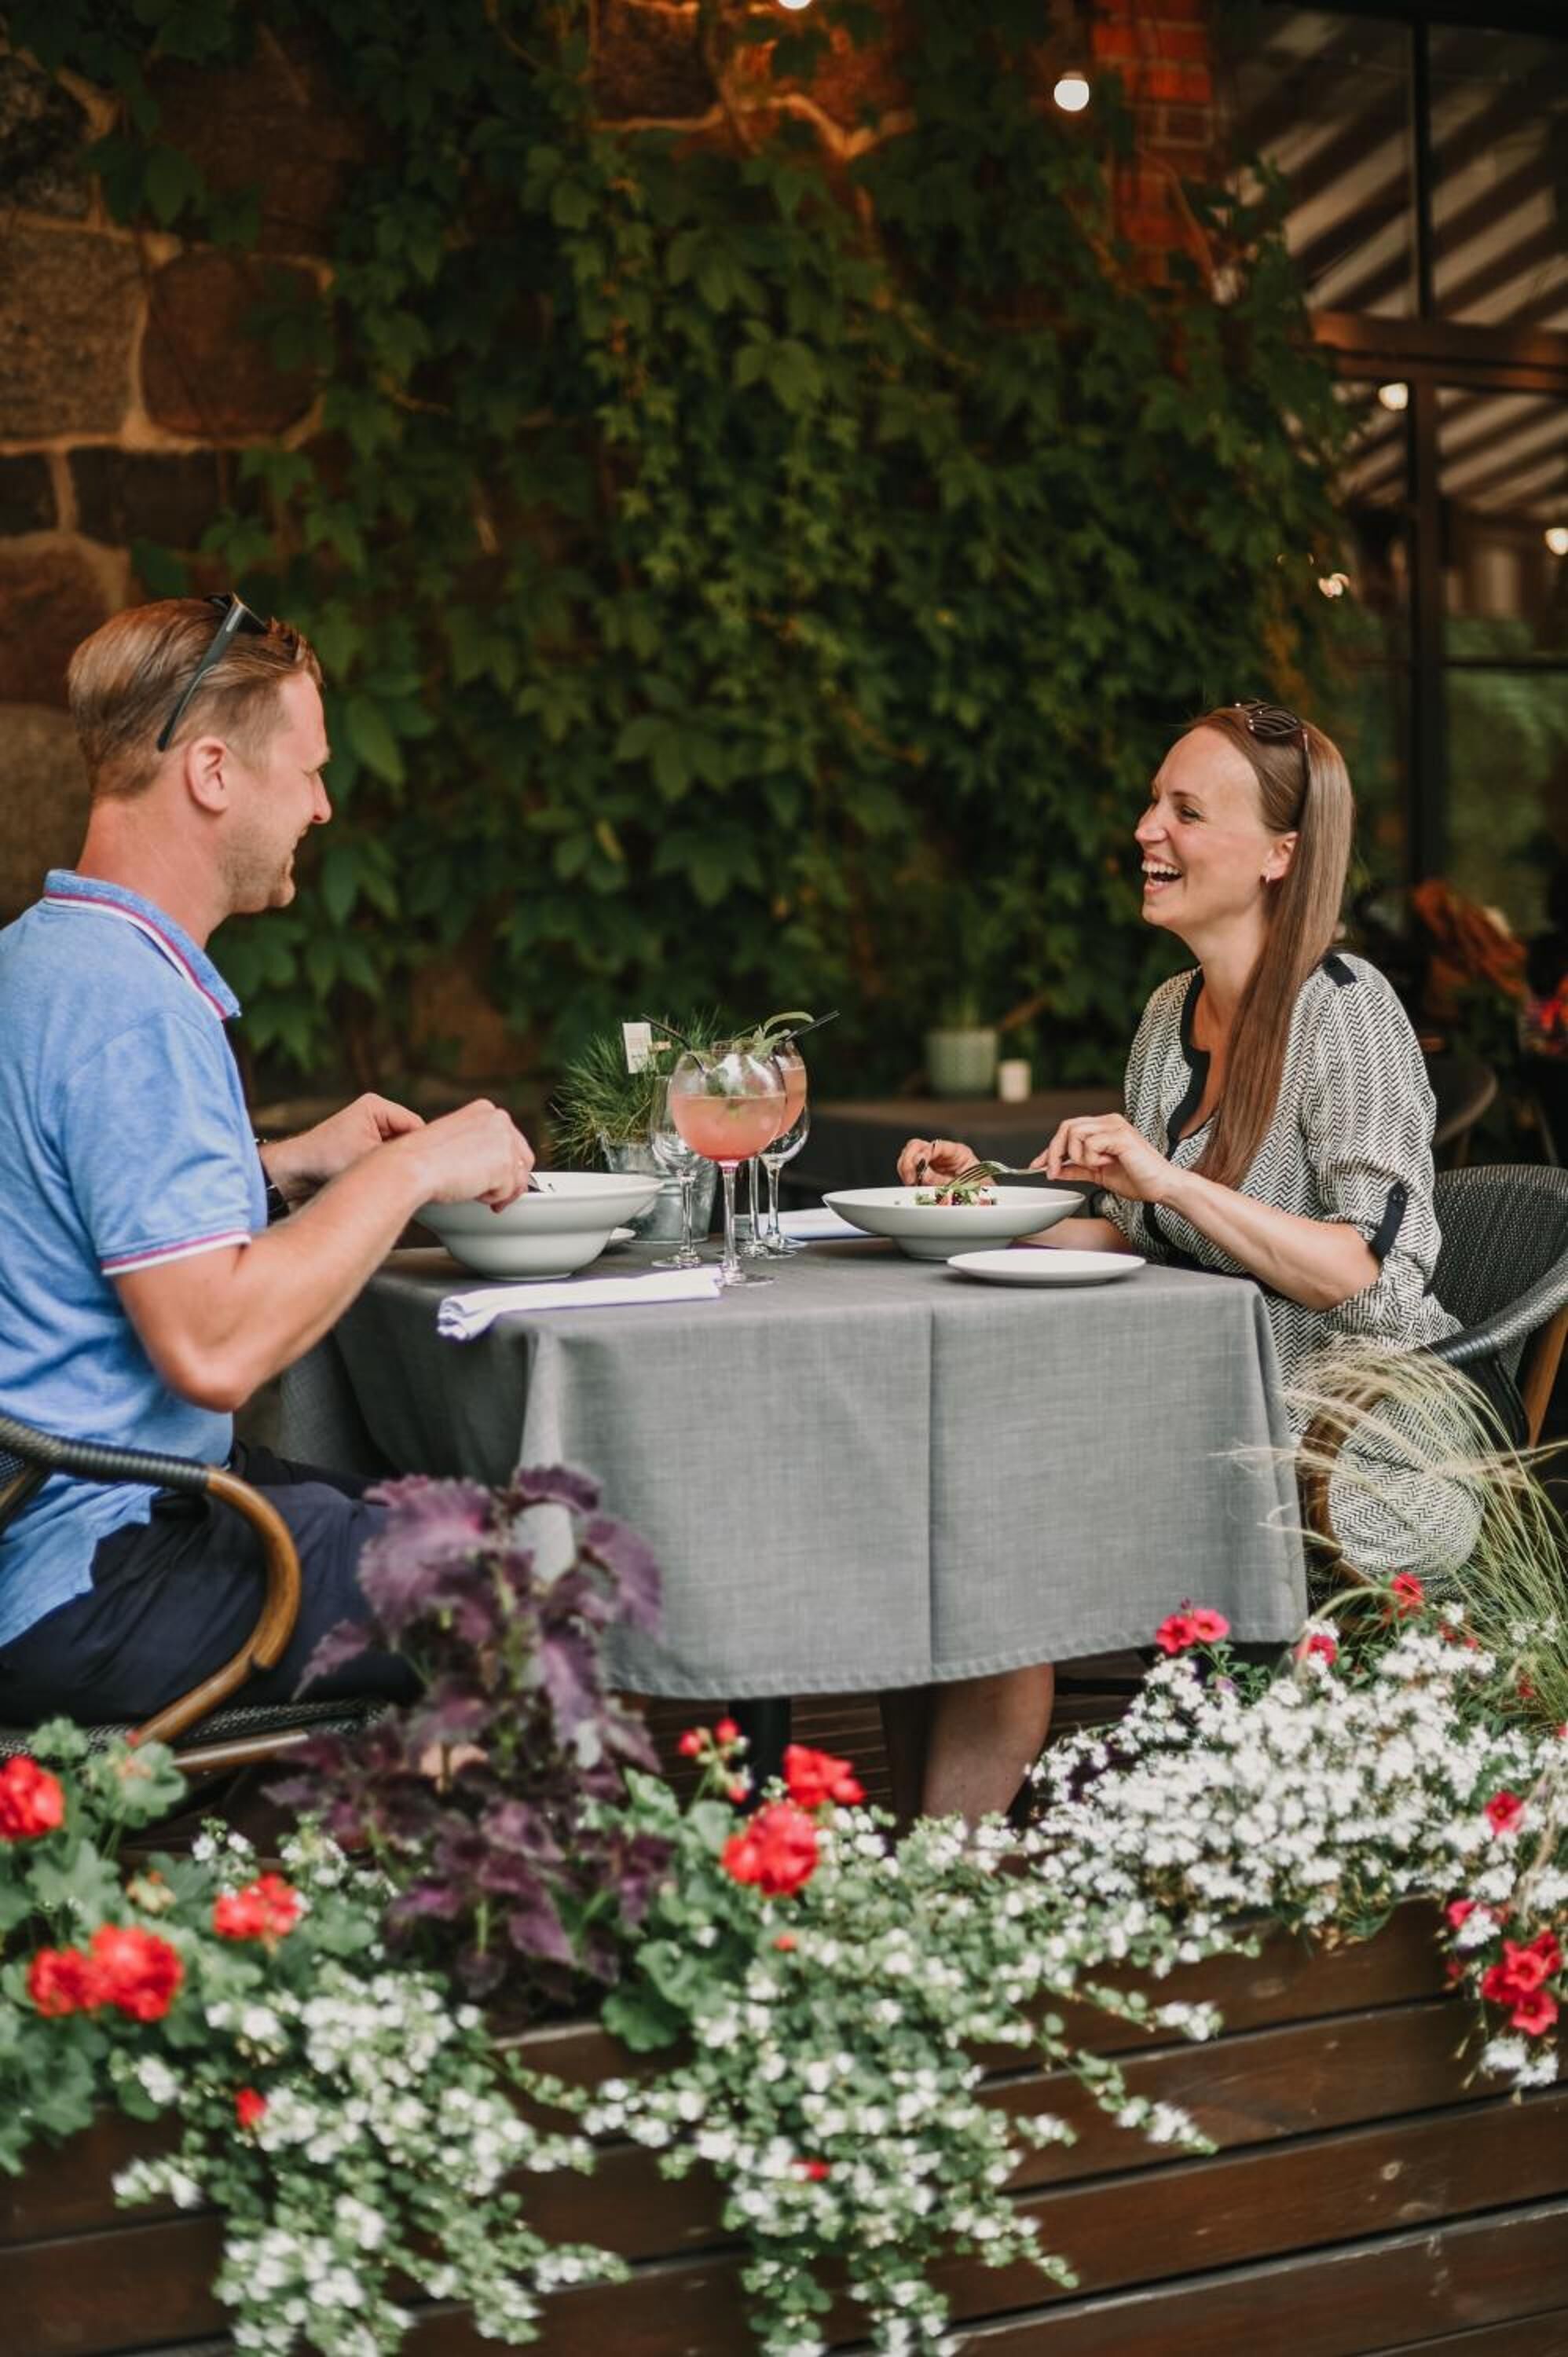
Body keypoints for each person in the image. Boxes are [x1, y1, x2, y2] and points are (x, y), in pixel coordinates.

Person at [893, 700, 1475, 1824]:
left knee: (1001, 1513)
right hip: (1207, 1416)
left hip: (1352, 1451)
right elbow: (1141, 1234)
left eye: (1185, 810)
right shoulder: (1172, 1016)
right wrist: (985, 1199)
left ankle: (943, 1867)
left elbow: (1370, 1274)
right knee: (956, 1492)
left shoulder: (1345, 1013)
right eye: (1154, 802)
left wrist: (1168, 1180)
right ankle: (940, 1853)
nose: (1145, 829)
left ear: (1278, 857)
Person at [0, 595, 535, 1729]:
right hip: (91, 1571)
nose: (324, 805)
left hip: (55, 1521)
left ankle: (299, 1886)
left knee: (454, 1520)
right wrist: (413, 1170)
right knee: (526, 1581)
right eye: (307, 771)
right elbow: (213, 1345)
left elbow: (68, 1198)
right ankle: (368, 1901)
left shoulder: (42, 959)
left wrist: (284, 1165)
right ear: (211, 772)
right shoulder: (132, 1008)